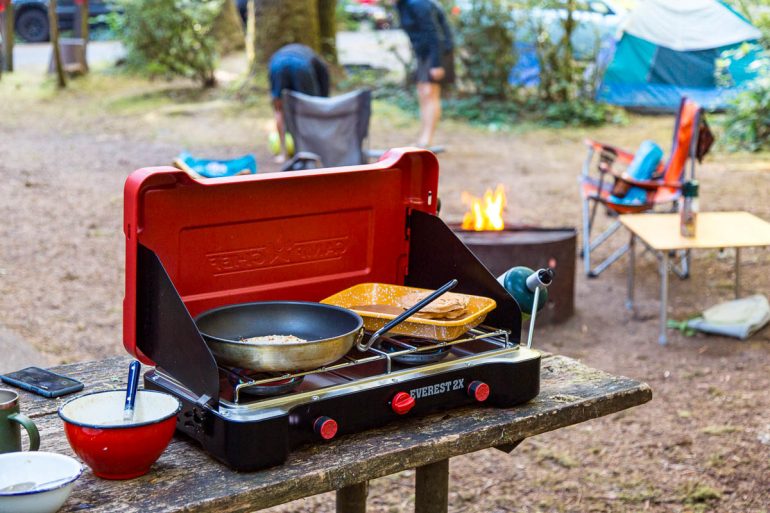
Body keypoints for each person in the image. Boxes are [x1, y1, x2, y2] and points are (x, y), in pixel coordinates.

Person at [393, 0, 455, 147]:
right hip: (423, 54)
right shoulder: (401, 5)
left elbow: (434, 34)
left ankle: (427, 140)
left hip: (437, 53)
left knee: (429, 93)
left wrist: (436, 64)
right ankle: (423, 137)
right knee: (423, 93)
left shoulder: (418, 3)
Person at [268, 44, 330, 163]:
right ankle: (313, 150)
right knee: (311, 107)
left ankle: (283, 153)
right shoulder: (320, 66)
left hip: (276, 63)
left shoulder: (306, 55)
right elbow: (321, 102)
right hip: (301, 65)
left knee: (279, 109)